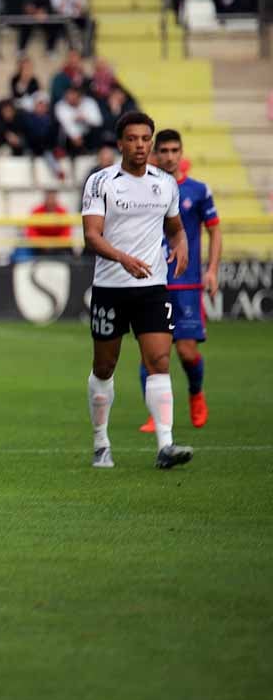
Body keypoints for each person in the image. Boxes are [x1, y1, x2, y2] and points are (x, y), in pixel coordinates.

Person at [81, 111, 192, 470]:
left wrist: (182, 243)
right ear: (121, 143)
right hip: (111, 287)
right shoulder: (102, 182)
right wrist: (123, 259)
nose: (140, 145)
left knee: (159, 361)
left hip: (152, 287)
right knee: (104, 366)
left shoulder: (165, 183)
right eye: (133, 139)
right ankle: (101, 443)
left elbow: (174, 227)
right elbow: (92, 236)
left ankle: (165, 444)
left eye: (146, 139)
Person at [138, 129, 221, 433]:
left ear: (181, 153)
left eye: (175, 150)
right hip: (151, 283)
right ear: (155, 154)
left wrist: (212, 269)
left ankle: (196, 393)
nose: (170, 156)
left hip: (186, 285)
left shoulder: (198, 191)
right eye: (164, 151)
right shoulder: (143, 189)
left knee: (186, 352)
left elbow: (215, 230)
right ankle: (155, 414)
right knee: (152, 353)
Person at [55, 85, 103, 156]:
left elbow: (98, 121)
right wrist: (75, 135)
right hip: (71, 137)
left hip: (88, 133)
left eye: (73, 96)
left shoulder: (90, 102)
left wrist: (85, 118)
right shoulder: (60, 106)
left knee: (97, 131)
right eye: (68, 96)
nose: (70, 99)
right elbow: (66, 123)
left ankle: (95, 153)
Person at [24, 189, 72, 255]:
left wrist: (55, 244)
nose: (50, 201)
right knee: (25, 247)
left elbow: (66, 232)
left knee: (69, 250)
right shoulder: (36, 211)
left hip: (59, 246)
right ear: (45, 199)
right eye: (49, 198)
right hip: (39, 247)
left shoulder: (62, 211)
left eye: (52, 198)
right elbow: (31, 232)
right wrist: (42, 244)